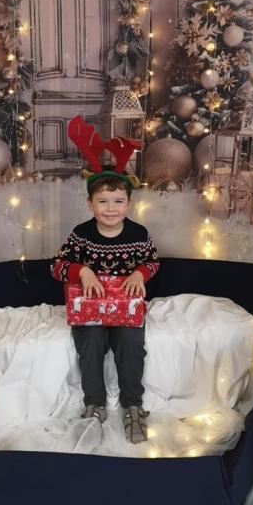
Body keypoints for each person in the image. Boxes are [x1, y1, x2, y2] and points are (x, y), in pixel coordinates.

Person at [51, 170, 159, 444]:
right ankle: (94, 403)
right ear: (90, 204)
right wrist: (82, 272)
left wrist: (140, 274)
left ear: (129, 204)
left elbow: (152, 262)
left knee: (131, 344)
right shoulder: (82, 235)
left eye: (118, 201)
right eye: (103, 201)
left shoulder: (138, 234)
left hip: (124, 309)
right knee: (90, 343)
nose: (111, 209)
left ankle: (132, 405)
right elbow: (57, 266)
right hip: (90, 309)